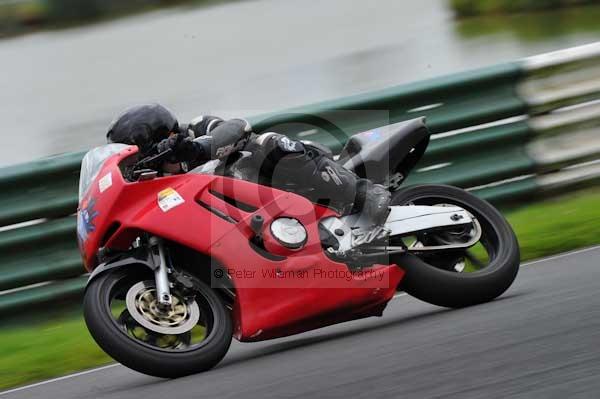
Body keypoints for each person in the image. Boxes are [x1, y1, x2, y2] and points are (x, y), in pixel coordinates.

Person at [106, 103, 391, 228]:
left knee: (266, 143)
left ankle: (363, 194)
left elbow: (238, 127)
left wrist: (198, 150)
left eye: (138, 156)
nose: (137, 164)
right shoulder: (152, 182)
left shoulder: (196, 128)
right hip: (252, 223)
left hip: (282, 182)